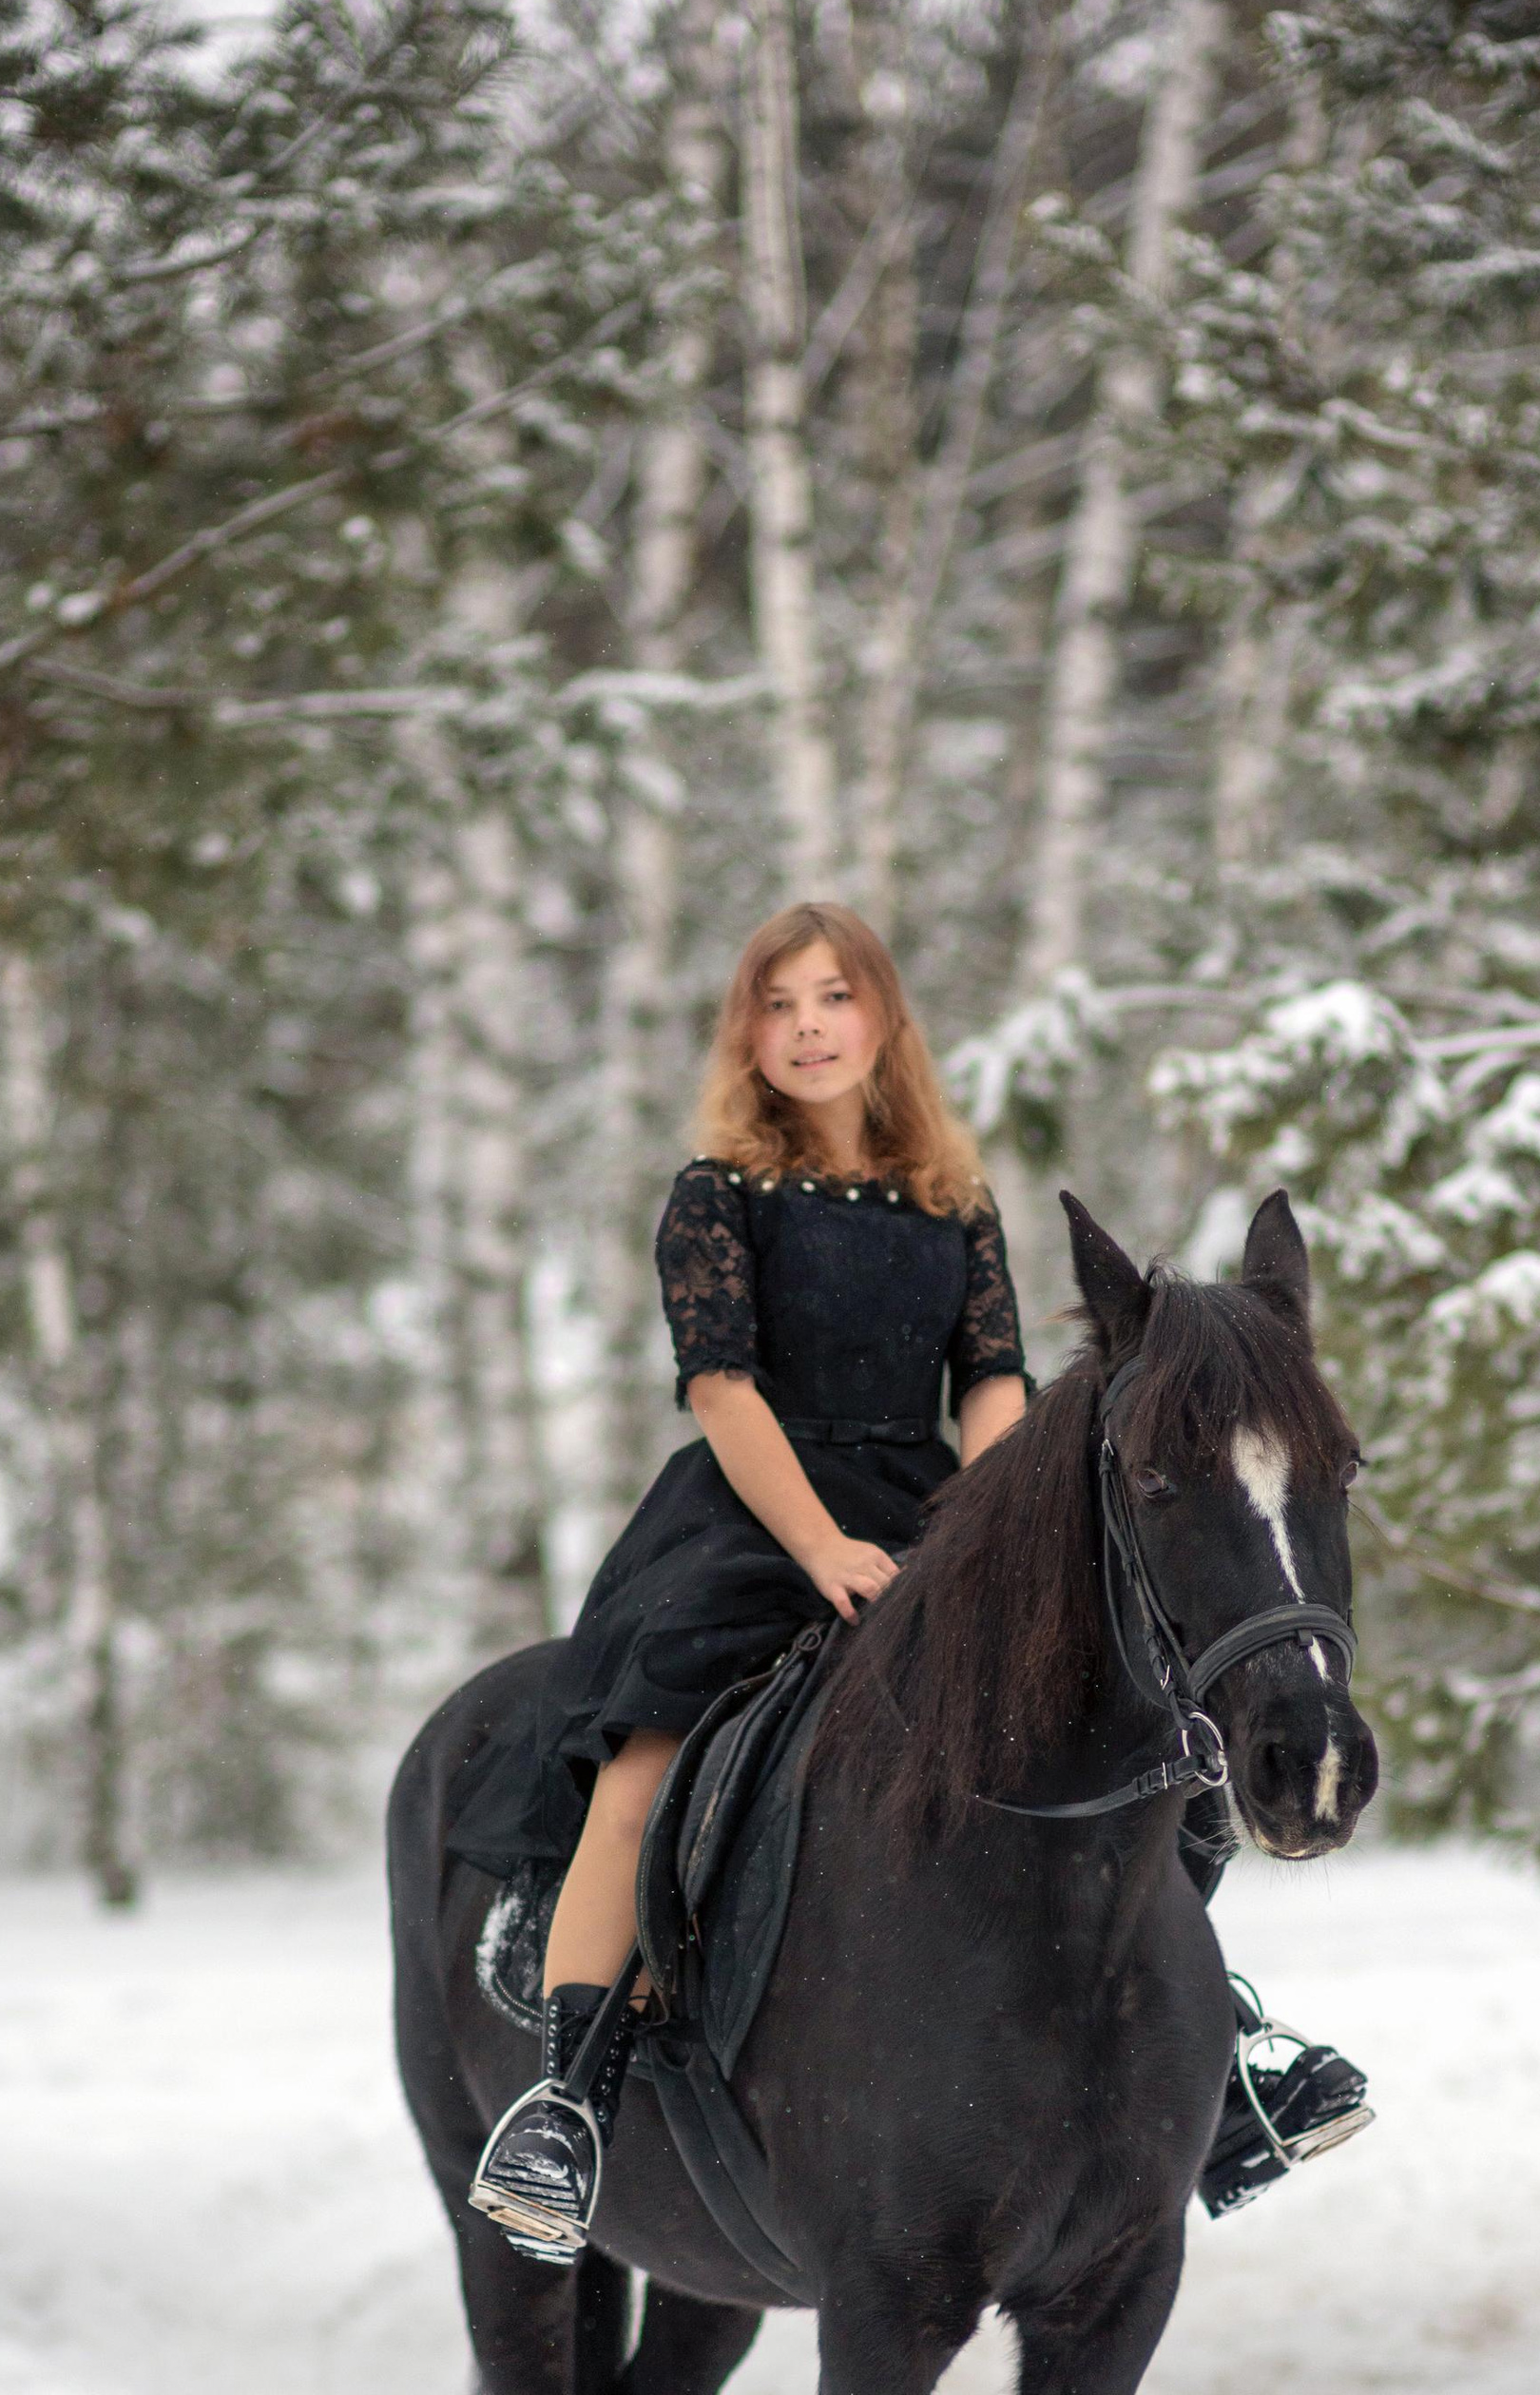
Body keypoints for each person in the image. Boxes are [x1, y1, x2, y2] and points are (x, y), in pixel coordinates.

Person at [458, 900, 1367, 2263]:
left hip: (930, 1518)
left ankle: (1226, 2056)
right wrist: (818, 1545)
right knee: (647, 1769)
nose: (808, 1027)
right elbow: (721, 1384)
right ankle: (568, 2097)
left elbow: (992, 1383)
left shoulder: (953, 1201)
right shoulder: (717, 1198)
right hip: (747, 1520)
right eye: (779, 1005)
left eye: (834, 998)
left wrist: (977, 1539)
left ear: (881, 1019)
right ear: (747, 1034)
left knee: (1130, 1759)